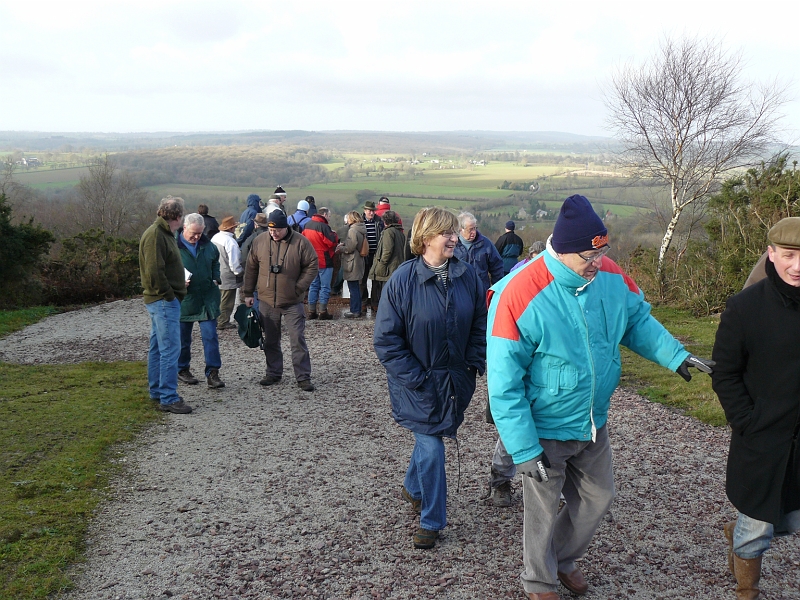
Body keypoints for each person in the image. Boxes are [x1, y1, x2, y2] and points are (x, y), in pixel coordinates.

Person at [487, 195, 713, 599]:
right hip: (543, 427)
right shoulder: (519, 292)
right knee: (541, 510)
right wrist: (523, 448)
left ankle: (562, 559)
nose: (598, 261)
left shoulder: (608, 274)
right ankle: (539, 581)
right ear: (561, 249)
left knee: (598, 498)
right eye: (589, 255)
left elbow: (636, 318)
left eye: (602, 250)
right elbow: (503, 385)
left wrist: (674, 355)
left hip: (592, 420)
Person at [373, 207, 487, 550]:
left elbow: (480, 324)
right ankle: (432, 521)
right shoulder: (403, 281)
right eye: (446, 233)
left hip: (456, 381)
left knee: (430, 435)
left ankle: (412, 487)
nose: (454, 238)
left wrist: (472, 365)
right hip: (417, 384)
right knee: (433, 445)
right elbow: (386, 341)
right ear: (425, 239)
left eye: (454, 232)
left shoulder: (468, 277)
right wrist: (417, 378)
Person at [712, 217, 800, 600]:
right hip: (762, 437)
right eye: (789, 255)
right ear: (771, 253)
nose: (797, 265)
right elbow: (725, 373)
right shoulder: (745, 307)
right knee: (756, 527)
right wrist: (747, 421)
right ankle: (747, 588)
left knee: (789, 519)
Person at [486, 239, 548, 508]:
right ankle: (500, 481)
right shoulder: (512, 288)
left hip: (552, 382)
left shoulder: (563, 289)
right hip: (520, 375)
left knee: (555, 436)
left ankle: (551, 489)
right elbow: (503, 348)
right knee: (513, 434)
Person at [243, 210, 318, 392]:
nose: (273, 233)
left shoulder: (301, 242)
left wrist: (298, 287)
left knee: (297, 339)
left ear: (285, 227)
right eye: (270, 230)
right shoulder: (259, 241)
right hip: (267, 300)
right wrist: (247, 293)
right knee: (270, 340)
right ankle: (273, 373)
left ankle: (303, 377)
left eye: (276, 230)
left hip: (293, 301)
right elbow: (251, 268)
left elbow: (312, 264)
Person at [138, 196, 192, 414]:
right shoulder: (156, 235)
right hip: (163, 301)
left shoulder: (163, 233)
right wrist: (169, 295)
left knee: (159, 347)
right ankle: (168, 397)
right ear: (178, 217)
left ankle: (158, 391)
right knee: (170, 349)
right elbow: (154, 271)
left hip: (162, 300)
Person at [176, 213, 225, 389]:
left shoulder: (208, 246)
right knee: (183, 339)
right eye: (193, 233)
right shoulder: (173, 248)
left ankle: (213, 373)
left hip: (207, 299)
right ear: (184, 228)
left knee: (210, 337)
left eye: (200, 233)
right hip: (184, 300)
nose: (197, 237)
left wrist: (216, 277)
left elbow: (215, 263)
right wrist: (176, 283)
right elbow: (163, 271)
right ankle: (182, 369)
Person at [302, 206, 338, 320]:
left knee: (313, 286)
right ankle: (323, 311)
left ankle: (311, 311)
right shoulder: (324, 227)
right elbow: (331, 243)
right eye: (329, 216)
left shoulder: (307, 225)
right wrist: (334, 234)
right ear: (325, 215)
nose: (330, 218)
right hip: (324, 260)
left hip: (311, 260)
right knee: (325, 287)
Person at [453, 211, 503, 293]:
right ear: (460, 229)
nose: (474, 232)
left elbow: (497, 267)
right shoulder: (452, 245)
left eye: (475, 228)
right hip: (458, 292)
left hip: (481, 292)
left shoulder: (486, 243)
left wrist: (496, 290)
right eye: (470, 229)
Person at [211, 216, 243, 330]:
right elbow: (234, 263)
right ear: (230, 229)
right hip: (227, 275)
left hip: (215, 272)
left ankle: (215, 319)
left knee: (218, 298)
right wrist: (239, 273)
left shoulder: (215, 237)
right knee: (227, 300)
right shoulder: (231, 242)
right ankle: (223, 321)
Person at [368, 210, 405, 306]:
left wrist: (381, 264)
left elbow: (387, 251)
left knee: (385, 293)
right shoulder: (399, 232)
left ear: (385, 221)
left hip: (388, 268)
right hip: (397, 266)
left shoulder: (388, 232)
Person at [360, 200, 385, 313]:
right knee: (362, 279)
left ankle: (375, 303)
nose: (371, 213)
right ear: (365, 211)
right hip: (364, 255)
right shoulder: (360, 221)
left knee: (376, 280)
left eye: (373, 211)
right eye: (369, 211)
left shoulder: (379, 221)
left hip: (376, 255)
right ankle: (363, 302)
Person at [341, 211, 367, 318]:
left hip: (352, 261)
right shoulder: (361, 229)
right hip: (359, 260)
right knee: (356, 286)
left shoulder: (352, 231)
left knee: (353, 287)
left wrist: (341, 248)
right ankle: (357, 309)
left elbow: (350, 247)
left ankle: (355, 310)